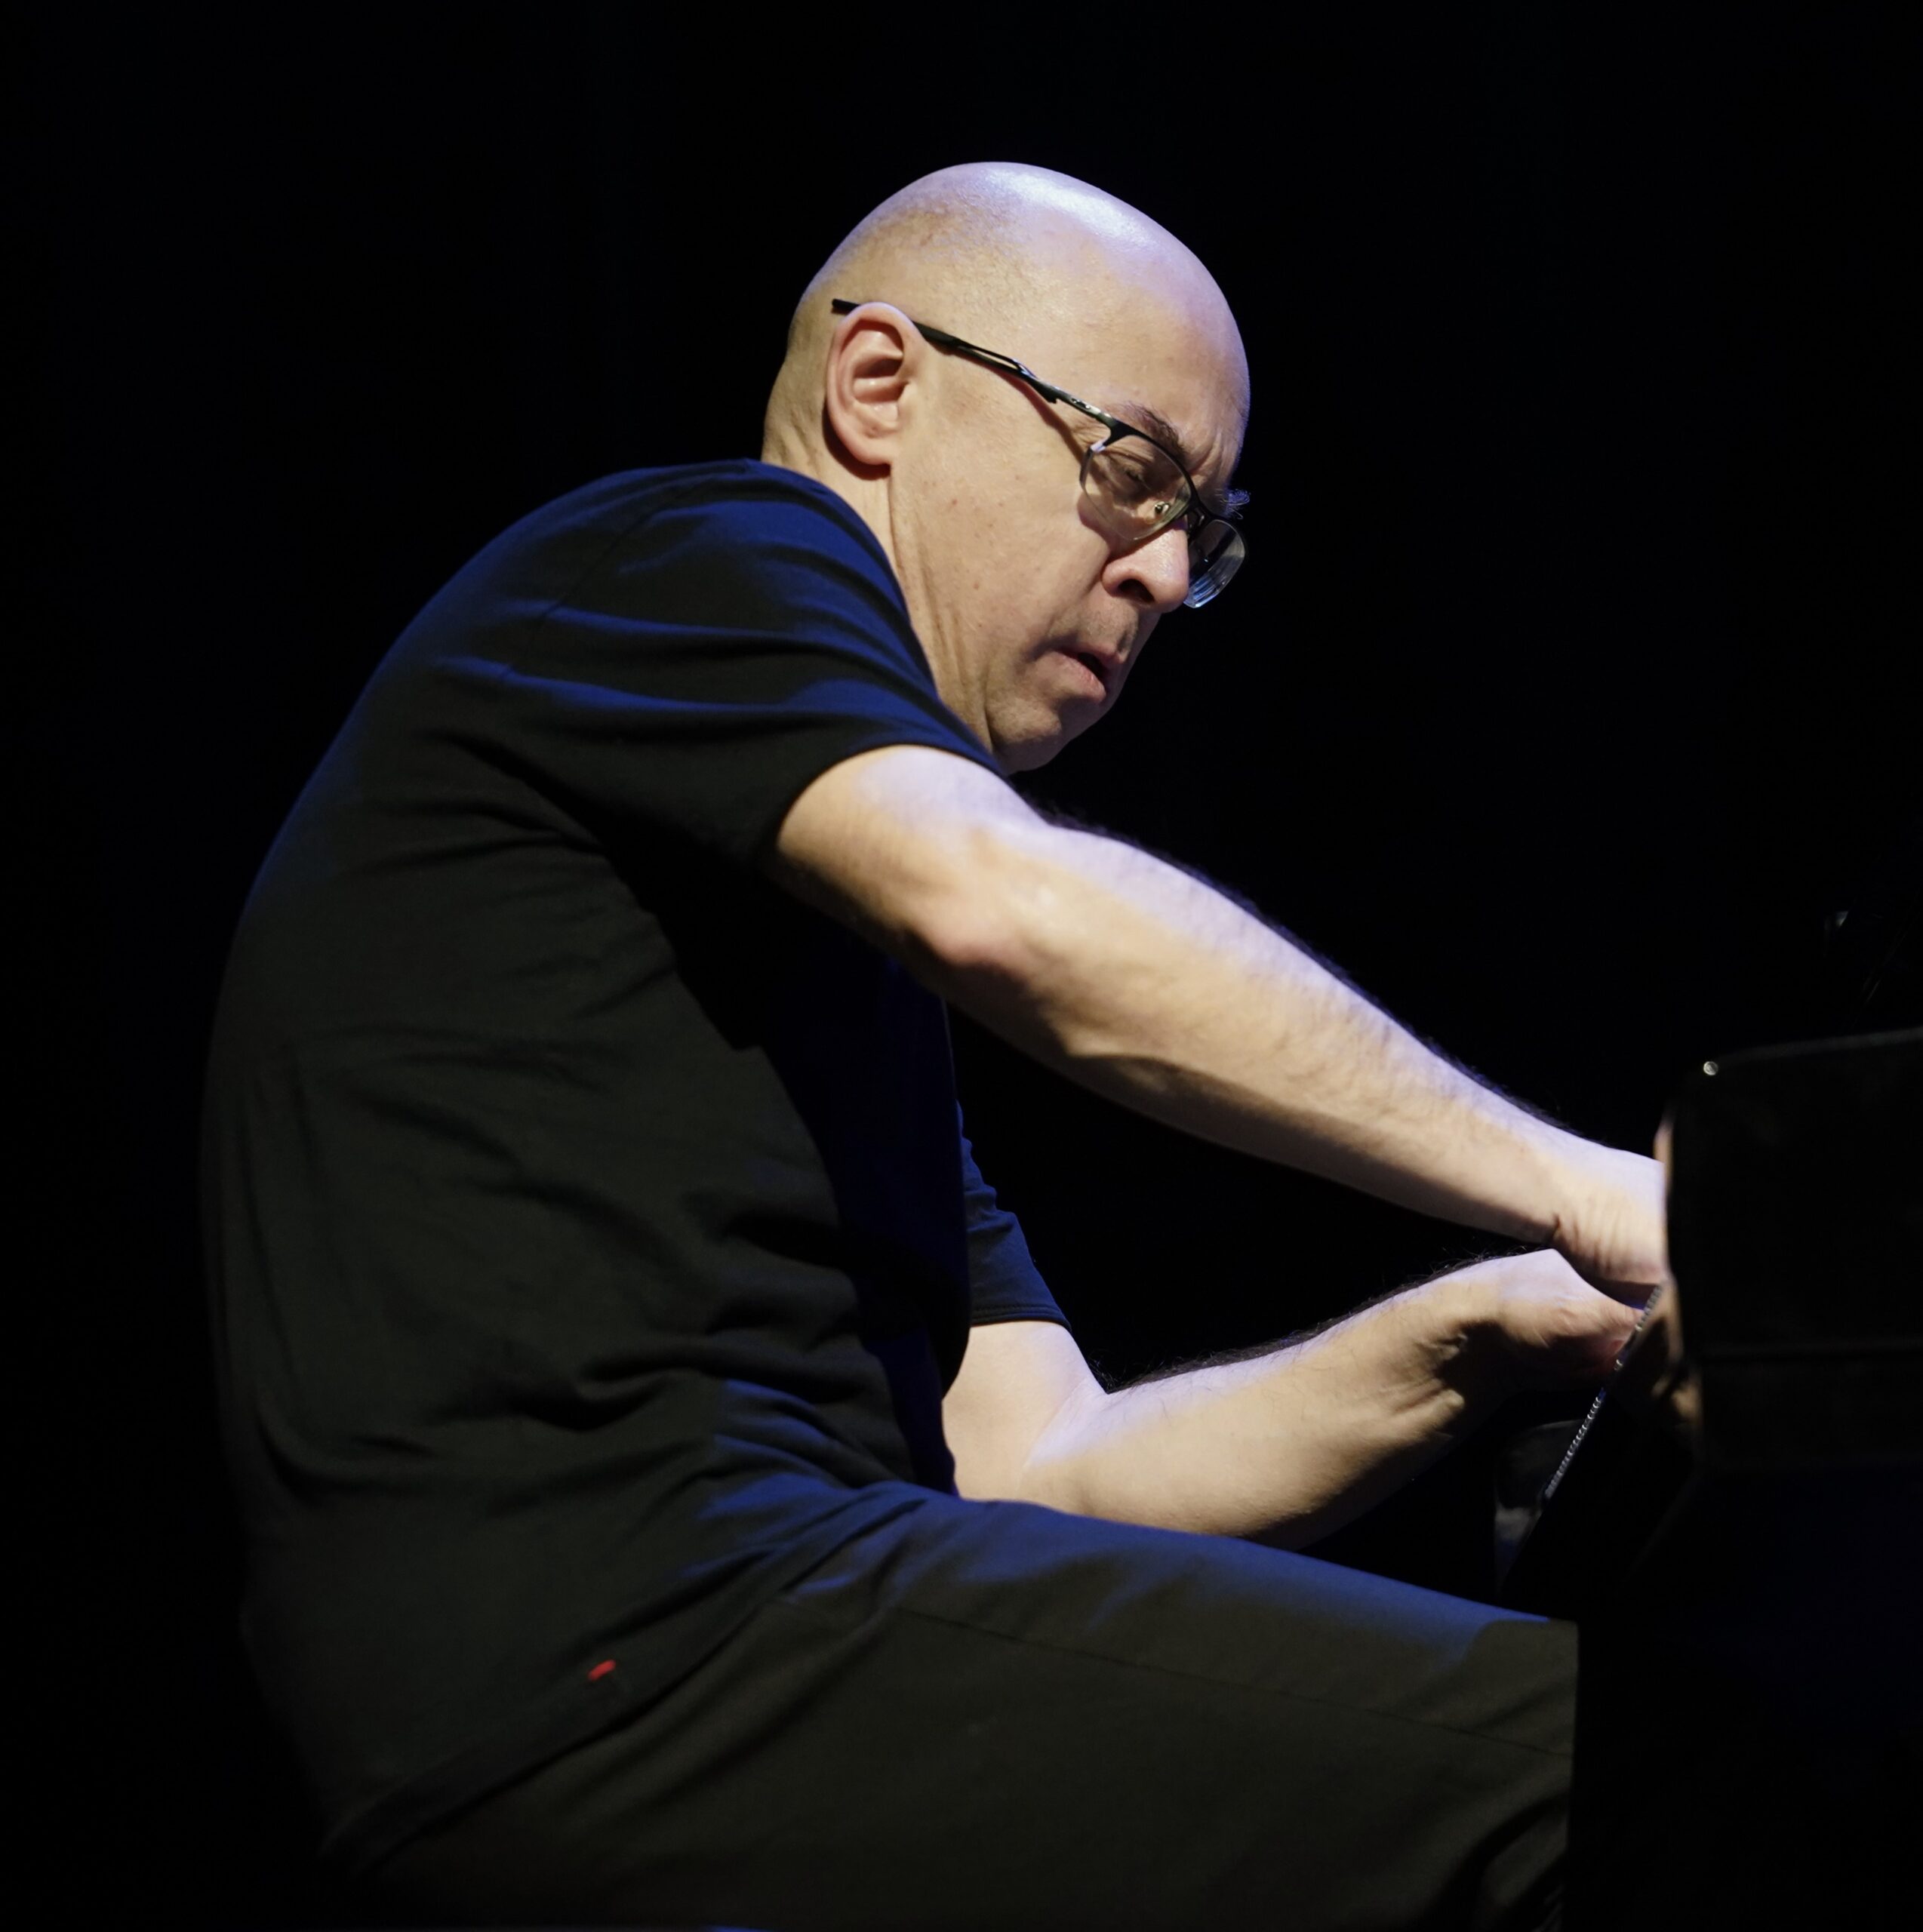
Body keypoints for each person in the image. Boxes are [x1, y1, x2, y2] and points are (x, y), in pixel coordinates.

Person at [202, 162, 1664, 1930]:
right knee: (1644, 1767)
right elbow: (1010, 911)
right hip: (630, 1625)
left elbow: (1045, 1470)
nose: (1161, 569)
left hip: (691, 1652)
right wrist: (1585, 1185)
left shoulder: (790, 941)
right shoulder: (694, 554)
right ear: (879, 384)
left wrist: (1477, 1329)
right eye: (1129, 471)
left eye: (1201, 530)